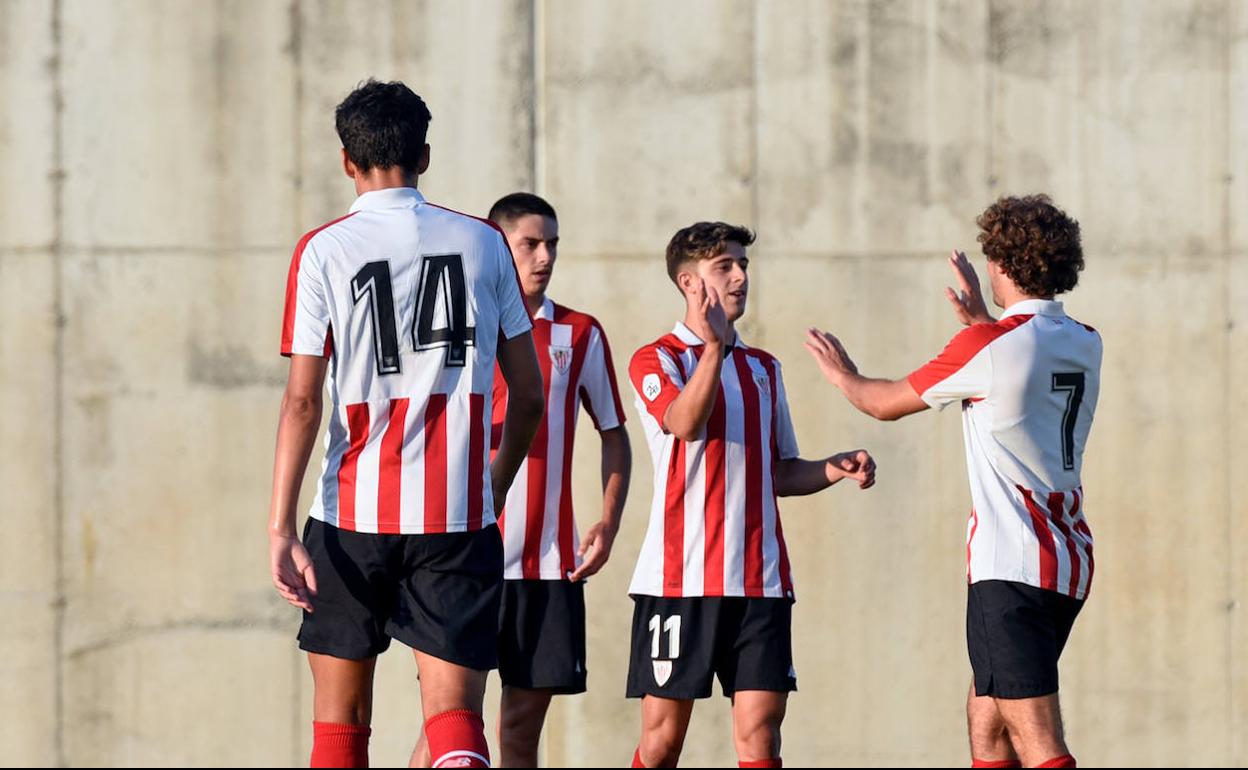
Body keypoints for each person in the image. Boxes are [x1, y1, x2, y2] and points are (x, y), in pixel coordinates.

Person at [267, 79, 544, 769]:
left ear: (346, 161)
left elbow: (302, 403)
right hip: (455, 514)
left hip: (349, 515)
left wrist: (279, 526)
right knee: (454, 718)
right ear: (424, 155)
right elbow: (529, 397)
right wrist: (493, 486)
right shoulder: (485, 243)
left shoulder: (323, 250)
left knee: (340, 725)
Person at [804, 195, 1099, 769]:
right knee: (988, 723)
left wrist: (843, 375)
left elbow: (884, 403)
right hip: (1066, 560)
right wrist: (985, 321)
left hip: (1012, 565)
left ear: (1003, 265)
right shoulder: (1086, 340)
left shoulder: (986, 347)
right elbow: (1022, 359)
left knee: (1038, 742)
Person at [626, 222, 878, 768]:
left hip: (760, 582)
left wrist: (833, 469)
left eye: (743, 265)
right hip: (679, 582)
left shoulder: (764, 368)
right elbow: (684, 423)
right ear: (689, 283)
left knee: (761, 737)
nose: (741, 276)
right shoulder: (657, 358)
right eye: (725, 267)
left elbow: (778, 472)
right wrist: (714, 348)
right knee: (662, 743)